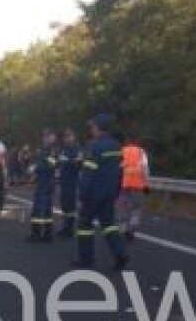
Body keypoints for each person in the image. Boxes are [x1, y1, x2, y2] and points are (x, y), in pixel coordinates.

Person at [74, 114, 129, 270]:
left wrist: (82, 196)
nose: (91, 129)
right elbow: (120, 171)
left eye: (92, 127)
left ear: (98, 128)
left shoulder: (94, 146)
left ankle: (86, 259)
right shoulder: (116, 146)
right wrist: (117, 192)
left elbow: (88, 174)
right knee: (109, 225)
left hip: (93, 194)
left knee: (85, 225)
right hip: (110, 193)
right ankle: (121, 253)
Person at [27, 129, 58, 243]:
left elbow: (52, 165)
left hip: (46, 182)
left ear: (52, 137)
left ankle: (37, 234)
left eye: (47, 136)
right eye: (44, 136)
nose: (44, 139)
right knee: (46, 210)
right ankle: (47, 234)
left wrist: (37, 168)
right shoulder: (44, 150)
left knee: (39, 208)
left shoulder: (52, 150)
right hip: (44, 181)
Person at [118, 134, 150, 241]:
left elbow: (118, 167)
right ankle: (132, 229)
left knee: (123, 207)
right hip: (138, 185)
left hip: (124, 184)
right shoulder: (141, 152)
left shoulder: (122, 151)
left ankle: (123, 229)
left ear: (127, 141)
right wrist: (146, 184)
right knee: (136, 208)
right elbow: (145, 169)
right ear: (137, 141)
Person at [56, 128, 81, 237]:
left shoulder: (77, 149)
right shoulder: (63, 149)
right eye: (65, 136)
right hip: (64, 181)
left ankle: (70, 228)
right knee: (64, 205)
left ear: (73, 137)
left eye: (69, 136)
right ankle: (66, 226)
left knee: (70, 206)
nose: (67, 138)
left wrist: (68, 161)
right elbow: (59, 162)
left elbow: (79, 163)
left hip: (72, 181)